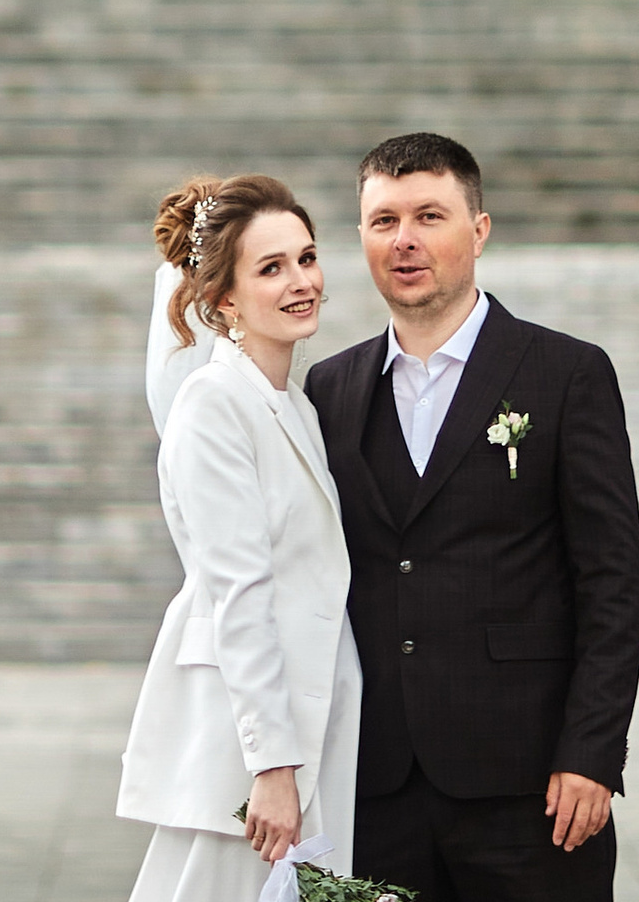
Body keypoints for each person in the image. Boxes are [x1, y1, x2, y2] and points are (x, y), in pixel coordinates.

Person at [304, 133, 639, 902]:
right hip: (376, 784)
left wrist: (593, 751)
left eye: (430, 215)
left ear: (479, 231)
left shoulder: (566, 374)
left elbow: (614, 581)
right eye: (383, 220)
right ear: (360, 236)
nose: (406, 240)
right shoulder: (329, 388)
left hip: (532, 786)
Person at [121, 175, 364, 902]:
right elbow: (240, 593)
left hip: (311, 719)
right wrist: (273, 767)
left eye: (307, 257)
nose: (302, 282)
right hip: (251, 739)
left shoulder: (292, 404)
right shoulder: (213, 406)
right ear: (224, 299)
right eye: (271, 268)